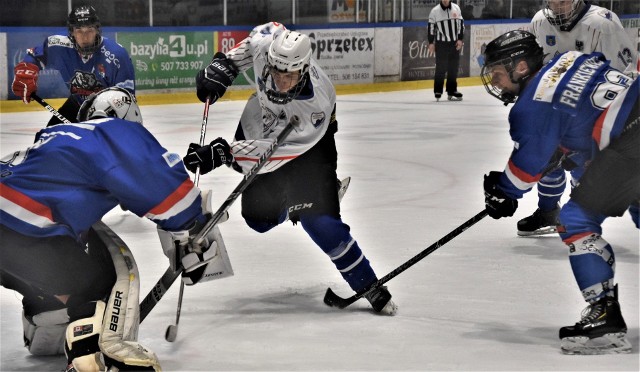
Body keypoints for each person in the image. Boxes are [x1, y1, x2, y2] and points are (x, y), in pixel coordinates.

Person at [0, 87, 231, 370]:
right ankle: (97, 355)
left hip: (11, 228)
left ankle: (45, 319)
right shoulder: (111, 131)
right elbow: (157, 184)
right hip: (19, 229)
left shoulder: (59, 139)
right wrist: (192, 230)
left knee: (68, 265)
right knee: (104, 279)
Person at [187, 22, 398, 315]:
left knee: (318, 221)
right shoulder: (268, 47)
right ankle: (293, 203)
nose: (280, 83)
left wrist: (223, 153)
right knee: (257, 218)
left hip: (307, 147)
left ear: (304, 68)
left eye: (289, 77)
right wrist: (226, 65)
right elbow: (258, 37)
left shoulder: (316, 102)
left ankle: (370, 286)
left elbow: (272, 154)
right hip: (266, 120)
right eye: (276, 73)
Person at [479, 30, 638, 354]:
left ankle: (604, 320)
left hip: (632, 142)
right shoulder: (568, 58)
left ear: (520, 67)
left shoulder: (529, 106)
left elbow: (524, 172)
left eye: (497, 73)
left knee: (575, 219)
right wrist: (569, 146)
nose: (495, 82)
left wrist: (501, 191)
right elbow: (592, 102)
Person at [520, 0, 639, 236]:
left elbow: (626, 77)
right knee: (545, 162)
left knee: (582, 169)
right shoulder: (539, 22)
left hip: (592, 115)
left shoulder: (603, 23)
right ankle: (547, 212)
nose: (558, 7)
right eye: (554, 1)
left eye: (564, 1)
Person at [11, 5, 135, 127]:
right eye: (79, 31)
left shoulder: (117, 55)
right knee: (50, 136)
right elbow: (34, 56)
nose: (85, 37)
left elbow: (126, 100)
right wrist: (26, 71)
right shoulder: (59, 45)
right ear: (72, 32)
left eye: (89, 30)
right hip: (77, 103)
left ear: (97, 30)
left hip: (106, 112)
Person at [428, 0, 465, 101]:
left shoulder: (456, 8)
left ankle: (452, 90)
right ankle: (438, 90)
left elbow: (461, 24)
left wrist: (460, 39)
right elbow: (431, 27)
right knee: (441, 68)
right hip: (441, 44)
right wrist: (431, 42)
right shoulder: (434, 11)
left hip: (454, 44)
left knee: (453, 69)